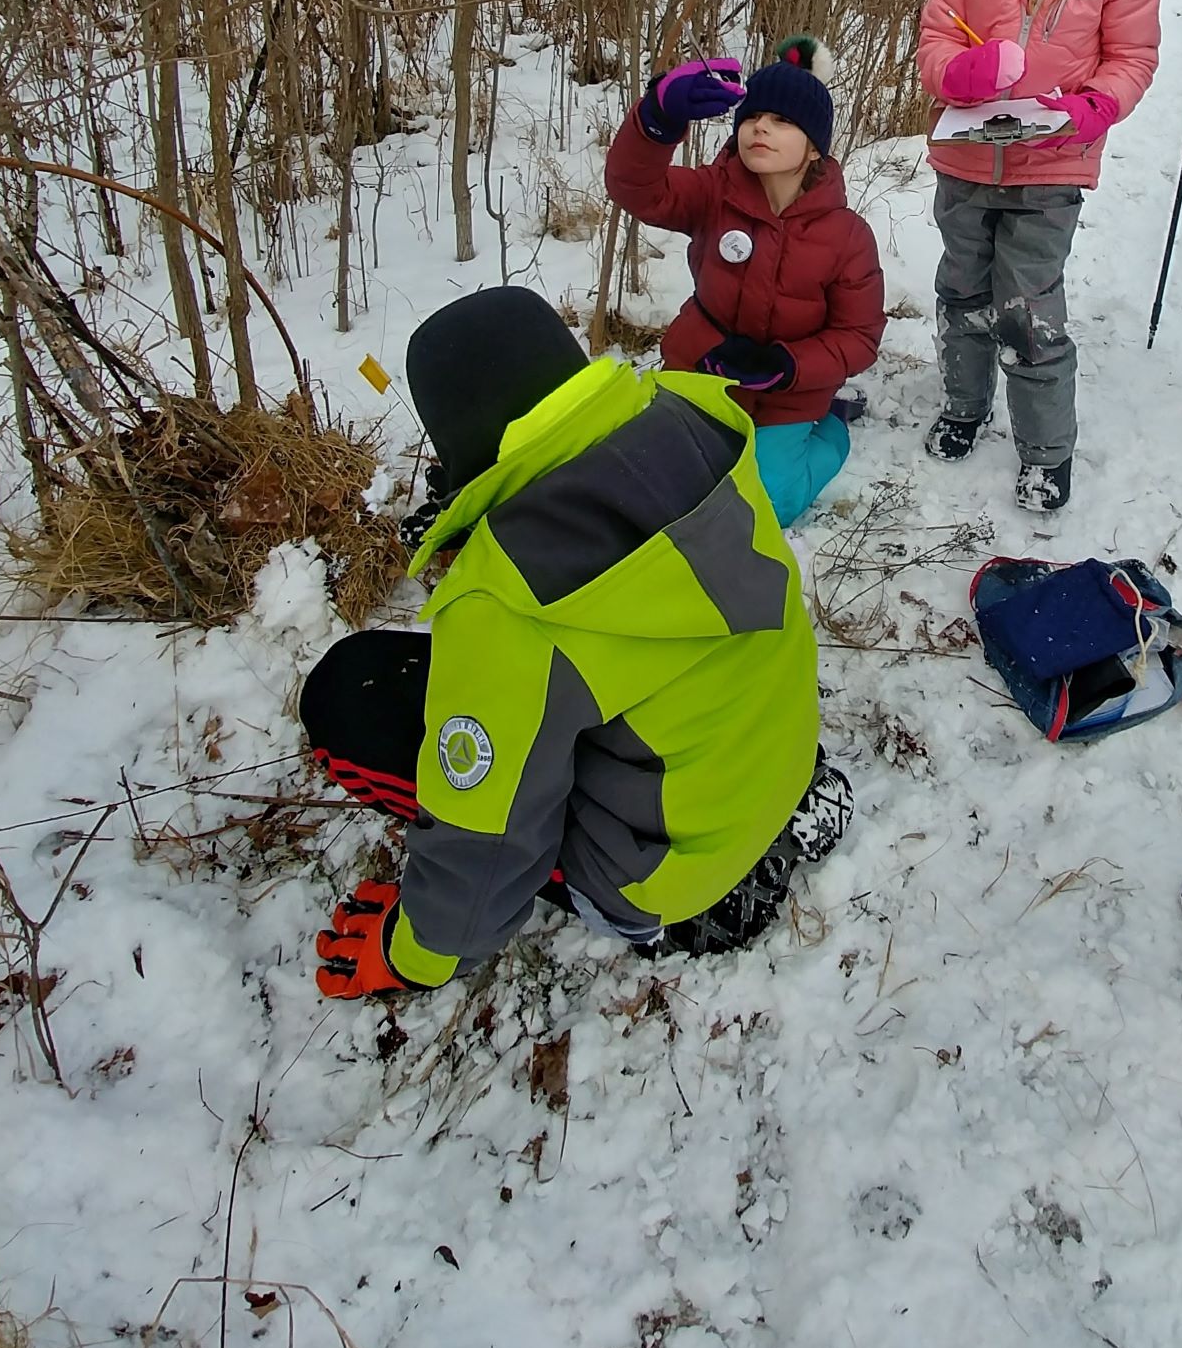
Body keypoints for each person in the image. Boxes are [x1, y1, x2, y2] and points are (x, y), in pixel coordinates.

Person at [303, 287, 852, 1000]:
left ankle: (697, 911)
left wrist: (412, 954)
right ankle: (766, 821)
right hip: (770, 752)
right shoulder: (695, 422)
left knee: (351, 699)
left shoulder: (507, 599)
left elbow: (485, 838)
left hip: (661, 875)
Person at [917, 0, 1160, 514]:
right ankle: (963, 405)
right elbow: (935, 37)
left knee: (1025, 306)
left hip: (1052, 164)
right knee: (962, 290)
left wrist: (1096, 106)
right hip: (966, 156)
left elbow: (1133, 56)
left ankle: (1046, 449)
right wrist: (961, 71)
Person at [603, 36, 885, 526]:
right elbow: (636, 188)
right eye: (753, 117)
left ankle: (833, 429)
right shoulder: (714, 194)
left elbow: (859, 337)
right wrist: (657, 118)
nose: (761, 128)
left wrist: (788, 366)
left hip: (788, 393)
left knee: (766, 508)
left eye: (782, 121)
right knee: (660, 484)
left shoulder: (847, 235)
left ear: (815, 147)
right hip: (703, 369)